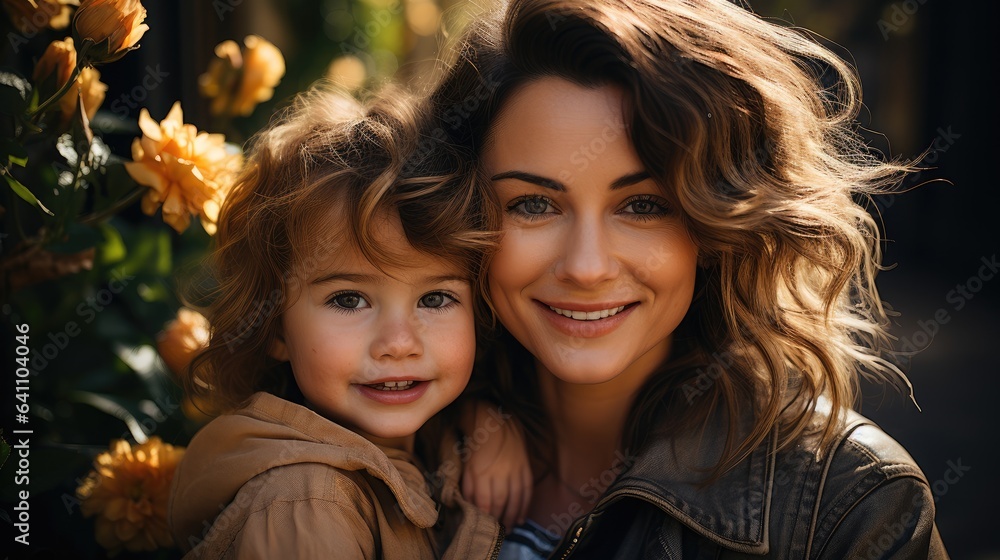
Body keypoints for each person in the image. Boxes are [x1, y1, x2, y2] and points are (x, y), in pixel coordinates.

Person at [425, 0, 950, 558]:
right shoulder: (380, 431)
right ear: (461, 216)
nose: (586, 266)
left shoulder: (852, 505)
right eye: (533, 204)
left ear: (714, 225)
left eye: (644, 205)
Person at [167, 86, 521, 558]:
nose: (398, 344)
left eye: (436, 298)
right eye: (349, 300)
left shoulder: (432, 445)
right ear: (274, 327)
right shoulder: (308, 507)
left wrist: (486, 424)